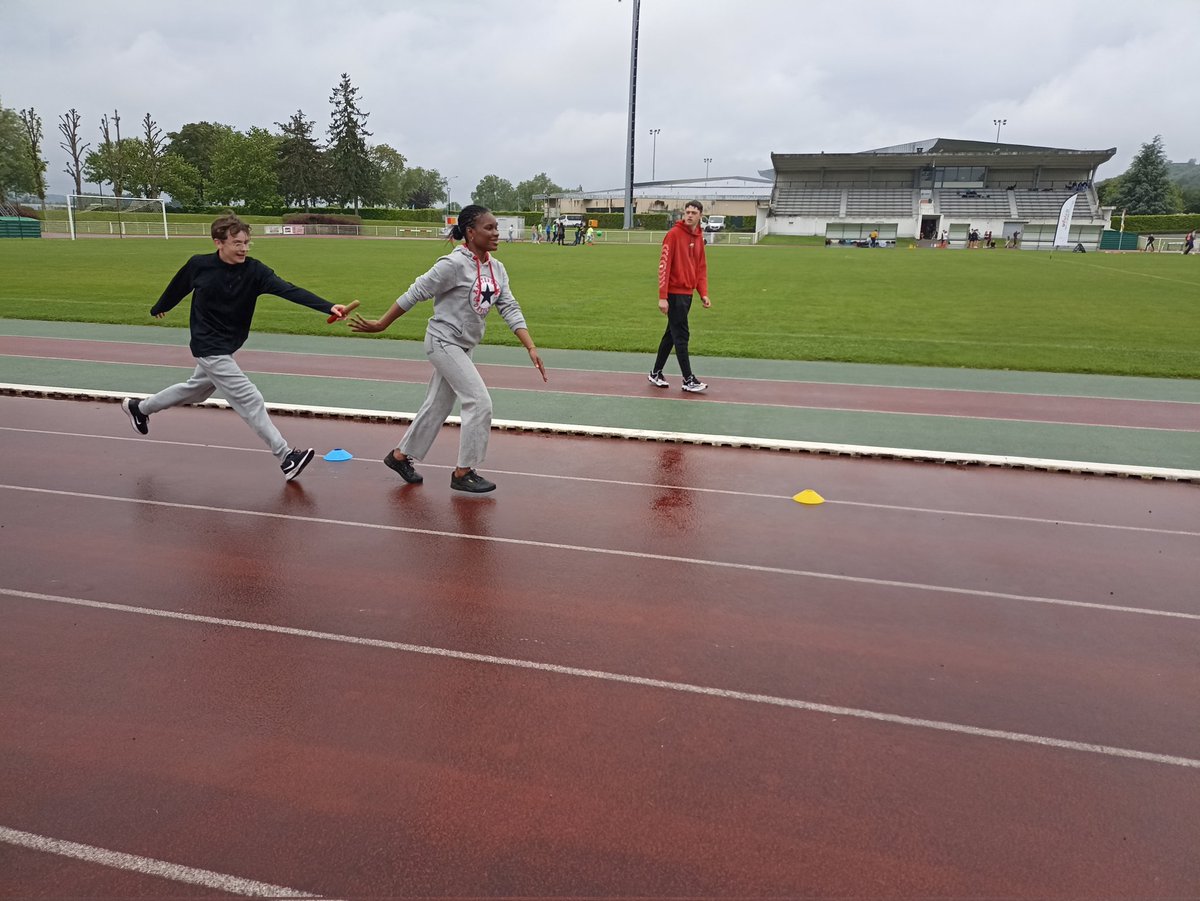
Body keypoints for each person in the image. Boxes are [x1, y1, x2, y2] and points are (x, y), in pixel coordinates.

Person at [120, 213, 353, 481]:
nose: (243, 248)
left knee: (195, 392)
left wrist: (327, 306)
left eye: (246, 243)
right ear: (219, 242)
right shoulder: (199, 265)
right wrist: (162, 306)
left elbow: (289, 290)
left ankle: (141, 408)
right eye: (237, 243)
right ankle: (286, 457)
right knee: (249, 398)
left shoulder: (255, 271)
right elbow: (178, 287)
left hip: (229, 343)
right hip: (208, 344)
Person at [349, 205, 547, 493]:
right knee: (479, 402)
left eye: (496, 228)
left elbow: (509, 307)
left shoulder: (497, 269)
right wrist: (382, 324)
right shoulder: (452, 265)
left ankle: (399, 456)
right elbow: (415, 292)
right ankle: (463, 472)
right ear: (470, 232)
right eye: (489, 228)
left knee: (437, 405)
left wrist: (530, 346)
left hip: (464, 346)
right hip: (443, 341)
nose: (496, 233)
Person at [648, 200, 711, 393]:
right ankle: (688, 378)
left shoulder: (699, 238)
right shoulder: (673, 235)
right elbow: (664, 265)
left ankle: (656, 372)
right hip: (674, 294)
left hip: (687, 294)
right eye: (687, 212)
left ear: (700, 215)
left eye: (694, 212)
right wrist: (662, 296)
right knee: (681, 335)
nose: (689, 215)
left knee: (671, 335)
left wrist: (703, 293)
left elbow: (700, 268)